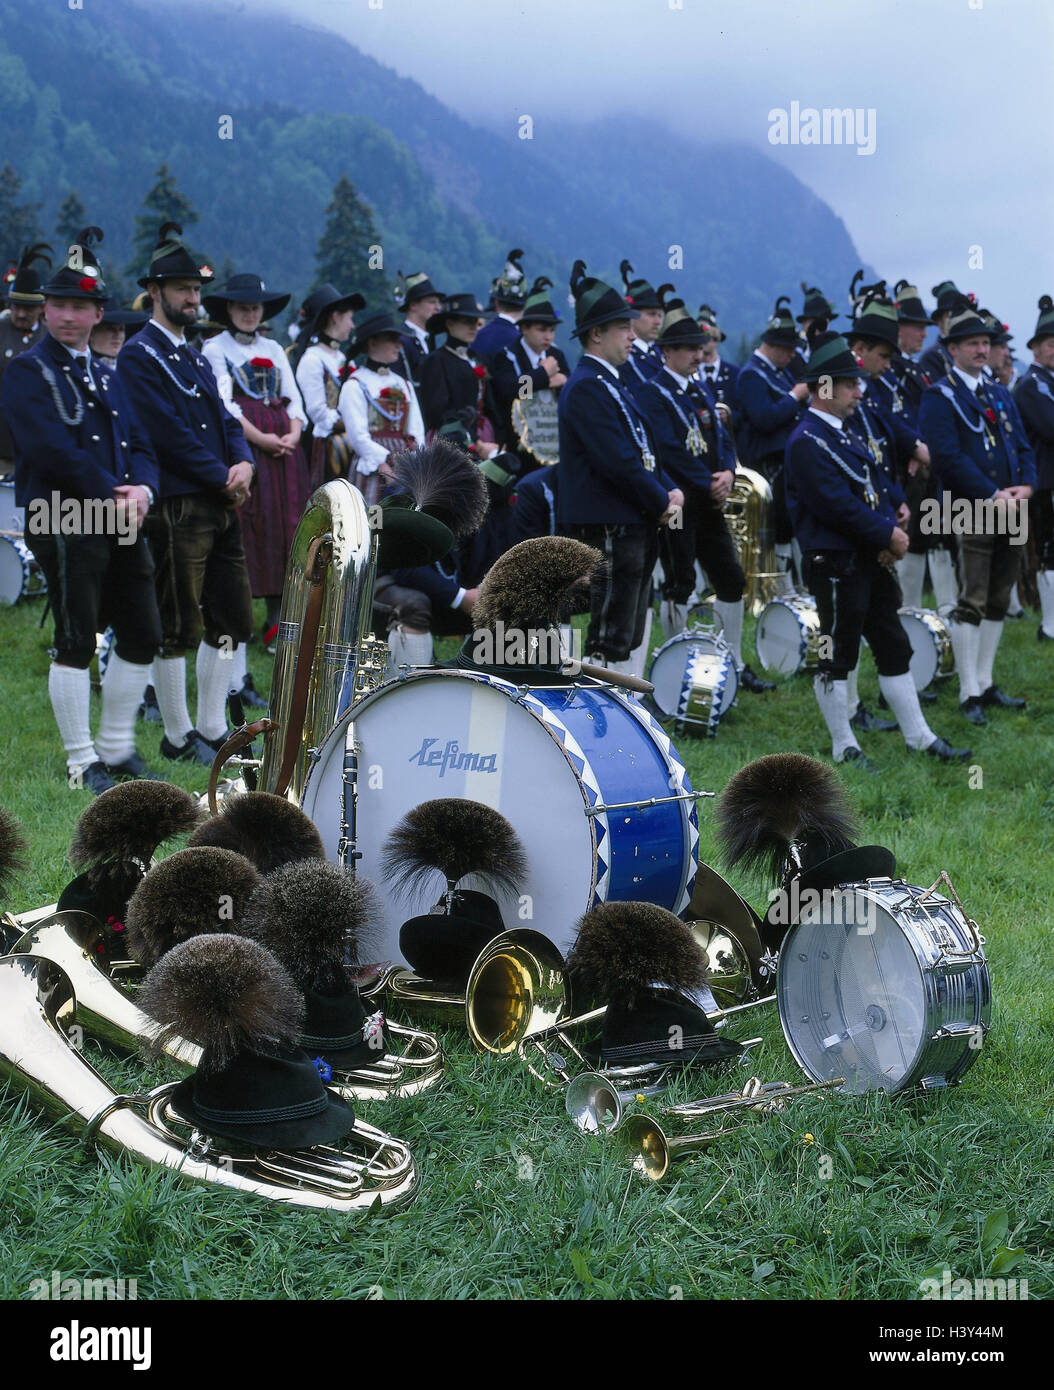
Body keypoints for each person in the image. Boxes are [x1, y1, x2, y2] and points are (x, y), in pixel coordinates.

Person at [1, 230, 162, 794]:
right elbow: (47, 448)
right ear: (45, 310)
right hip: (62, 516)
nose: (68, 316)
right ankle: (80, 762)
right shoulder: (26, 371)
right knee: (76, 637)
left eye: (80, 306)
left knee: (144, 629)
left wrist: (143, 488)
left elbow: (141, 443)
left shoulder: (107, 374)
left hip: (119, 514)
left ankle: (117, 750)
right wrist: (113, 492)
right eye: (59, 305)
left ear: (98, 313)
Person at [785, 328, 969, 766]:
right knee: (836, 652)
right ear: (824, 387)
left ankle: (919, 736)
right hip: (834, 564)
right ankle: (844, 745)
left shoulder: (843, 433)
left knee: (892, 645)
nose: (858, 390)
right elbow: (836, 507)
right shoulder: (806, 441)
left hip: (867, 560)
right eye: (849, 383)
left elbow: (874, 481)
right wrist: (888, 534)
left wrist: (895, 511)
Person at [116, 222, 255, 766]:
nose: (193, 299)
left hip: (219, 502)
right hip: (178, 503)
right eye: (182, 290)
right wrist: (223, 475)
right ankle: (176, 736)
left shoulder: (194, 356)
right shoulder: (139, 355)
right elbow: (162, 433)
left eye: (197, 291)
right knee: (179, 624)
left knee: (234, 618)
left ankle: (213, 726)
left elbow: (226, 418)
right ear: (155, 292)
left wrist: (242, 459)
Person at [636, 296, 773, 692]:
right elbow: (667, 450)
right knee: (679, 582)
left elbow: (723, 436)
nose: (699, 354)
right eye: (690, 349)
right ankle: (678, 663)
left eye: (701, 347)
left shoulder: (701, 388)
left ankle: (733, 659)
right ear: (668, 352)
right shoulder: (652, 393)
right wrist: (708, 481)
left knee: (731, 579)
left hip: (711, 501)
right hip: (679, 503)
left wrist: (729, 471)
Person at [557, 260, 682, 676]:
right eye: (623, 328)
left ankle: (624, 708)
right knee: (609, 630)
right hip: (610, 522)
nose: (634, 335)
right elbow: (617, 463)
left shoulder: (612, 381)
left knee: (628, 625)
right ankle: (594, 718)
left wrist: (668, 489)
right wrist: (661, 497)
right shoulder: (587, 387)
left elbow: (643, 450)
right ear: (596, 334)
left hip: (633, 518)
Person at [918, 299, 1037, 725]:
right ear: (952, 349)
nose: (983, 350)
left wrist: (1028, 484)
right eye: (972, 343)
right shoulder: (939, 396)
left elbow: (1022, 447)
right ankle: (968, 691)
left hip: (1012, 505)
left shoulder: (999, 394)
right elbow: (947, 459)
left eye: (987, 342)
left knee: (1001, 597)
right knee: (972, 598)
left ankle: (985, 683)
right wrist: (991, 494)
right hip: (972, 507)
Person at [201, 271, 311, 674]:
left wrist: (294, 432)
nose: (249, 314)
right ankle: (240, 621)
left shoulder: (274, 348)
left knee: (288, 528)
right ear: (229, 309)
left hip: (285, 454)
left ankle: (280, 623)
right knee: (253, 528)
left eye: (254, 308)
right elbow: (225, 404)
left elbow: (295, 398)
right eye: (242, 307)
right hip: (249, 449)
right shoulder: (216, 349)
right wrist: (262, 439)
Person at [735, 296, 810, 583]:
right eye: (788, 349)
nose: (792, 356)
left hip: (784, 462)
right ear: (775, 346)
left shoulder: (774, 373)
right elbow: (763, 418)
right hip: (768, 464)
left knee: (790, 526)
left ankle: (794, 586)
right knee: (780, 527)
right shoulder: (752, 375)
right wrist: (795, 396)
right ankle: (780, 586)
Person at [337, 309, 424, 505]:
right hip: (373, 466)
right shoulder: (355, 384)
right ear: (372, 343)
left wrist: (414, 462)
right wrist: (384, 463)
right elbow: (358, 437)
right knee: (373, 520)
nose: (398, 345)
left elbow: (416, 429)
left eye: (399, 339)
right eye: (391, 339)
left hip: (405, 466)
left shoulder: (403, 384)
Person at [293, 283, 365, 489]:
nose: (352, 325)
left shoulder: (343, 358)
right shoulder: (312, 359)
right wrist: (353, 422)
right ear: (335, 317)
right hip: (324, 449)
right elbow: (318, 413)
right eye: (349, 318)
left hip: (350, 442)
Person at [490, 276, 569, 462]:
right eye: (542, 330)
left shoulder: (556, 355)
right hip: (518, 444)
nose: (548, 337)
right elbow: (512, 391)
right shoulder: (507, 356)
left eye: (552, 331)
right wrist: (544, 376)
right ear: (524, 328)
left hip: (552, 439)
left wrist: (564, 381)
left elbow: (570, 385)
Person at [1013, 295, 1054, 642]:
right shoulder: (1031, 385)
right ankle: (1050, 626)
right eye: (1050, 344)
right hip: (1045, 479)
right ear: (1036, 349)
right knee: (1049, 552)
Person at [0, 243, 51, 477]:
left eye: (28, 308)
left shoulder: (52, 337)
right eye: (16, 307)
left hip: (40, 446)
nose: (21, 314)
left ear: (42, 307)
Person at [471, 250, 528, 366]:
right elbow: (526, 382)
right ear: (525, 304)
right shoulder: (526, 342)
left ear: (496, 303)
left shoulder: (476, 338)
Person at [618, 261, 667, 390]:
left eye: (660, 315)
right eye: (651, 314)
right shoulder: (622, 355)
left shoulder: (663, 351)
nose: (657, 322)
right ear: (632, 316)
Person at [395, 271, 444, 390]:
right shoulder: (401, 340)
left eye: (438, 303)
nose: (438, 308)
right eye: (432, 302)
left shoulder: (428, 339)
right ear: (413, 305)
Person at [919, 280, 968, 381]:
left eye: (960, 314)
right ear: (939, 322)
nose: (957, 319)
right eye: (951, 315)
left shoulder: (969, 350)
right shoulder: (932, 357)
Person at [89, 298, 149, 368]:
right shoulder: (85, 368)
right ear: (92, 333)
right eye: (110, 329)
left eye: (121, 329)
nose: (117, 335)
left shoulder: (132, 368)